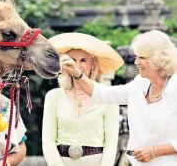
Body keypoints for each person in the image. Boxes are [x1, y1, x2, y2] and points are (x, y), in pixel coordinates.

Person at [60, 30, 177, 166]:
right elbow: (104, 93)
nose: (136, 62)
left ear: (159, 59)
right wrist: (77, 73)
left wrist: (154, 151)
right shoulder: (140, 84)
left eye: (142, 58)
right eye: (136, 57)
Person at [42, 33, 124, 166]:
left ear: (93, 65)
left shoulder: (107, 98)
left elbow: (111, 145)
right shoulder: (53, 96)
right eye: (73, 60)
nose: (77, 65)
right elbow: (48, 142)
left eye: (83, 60)